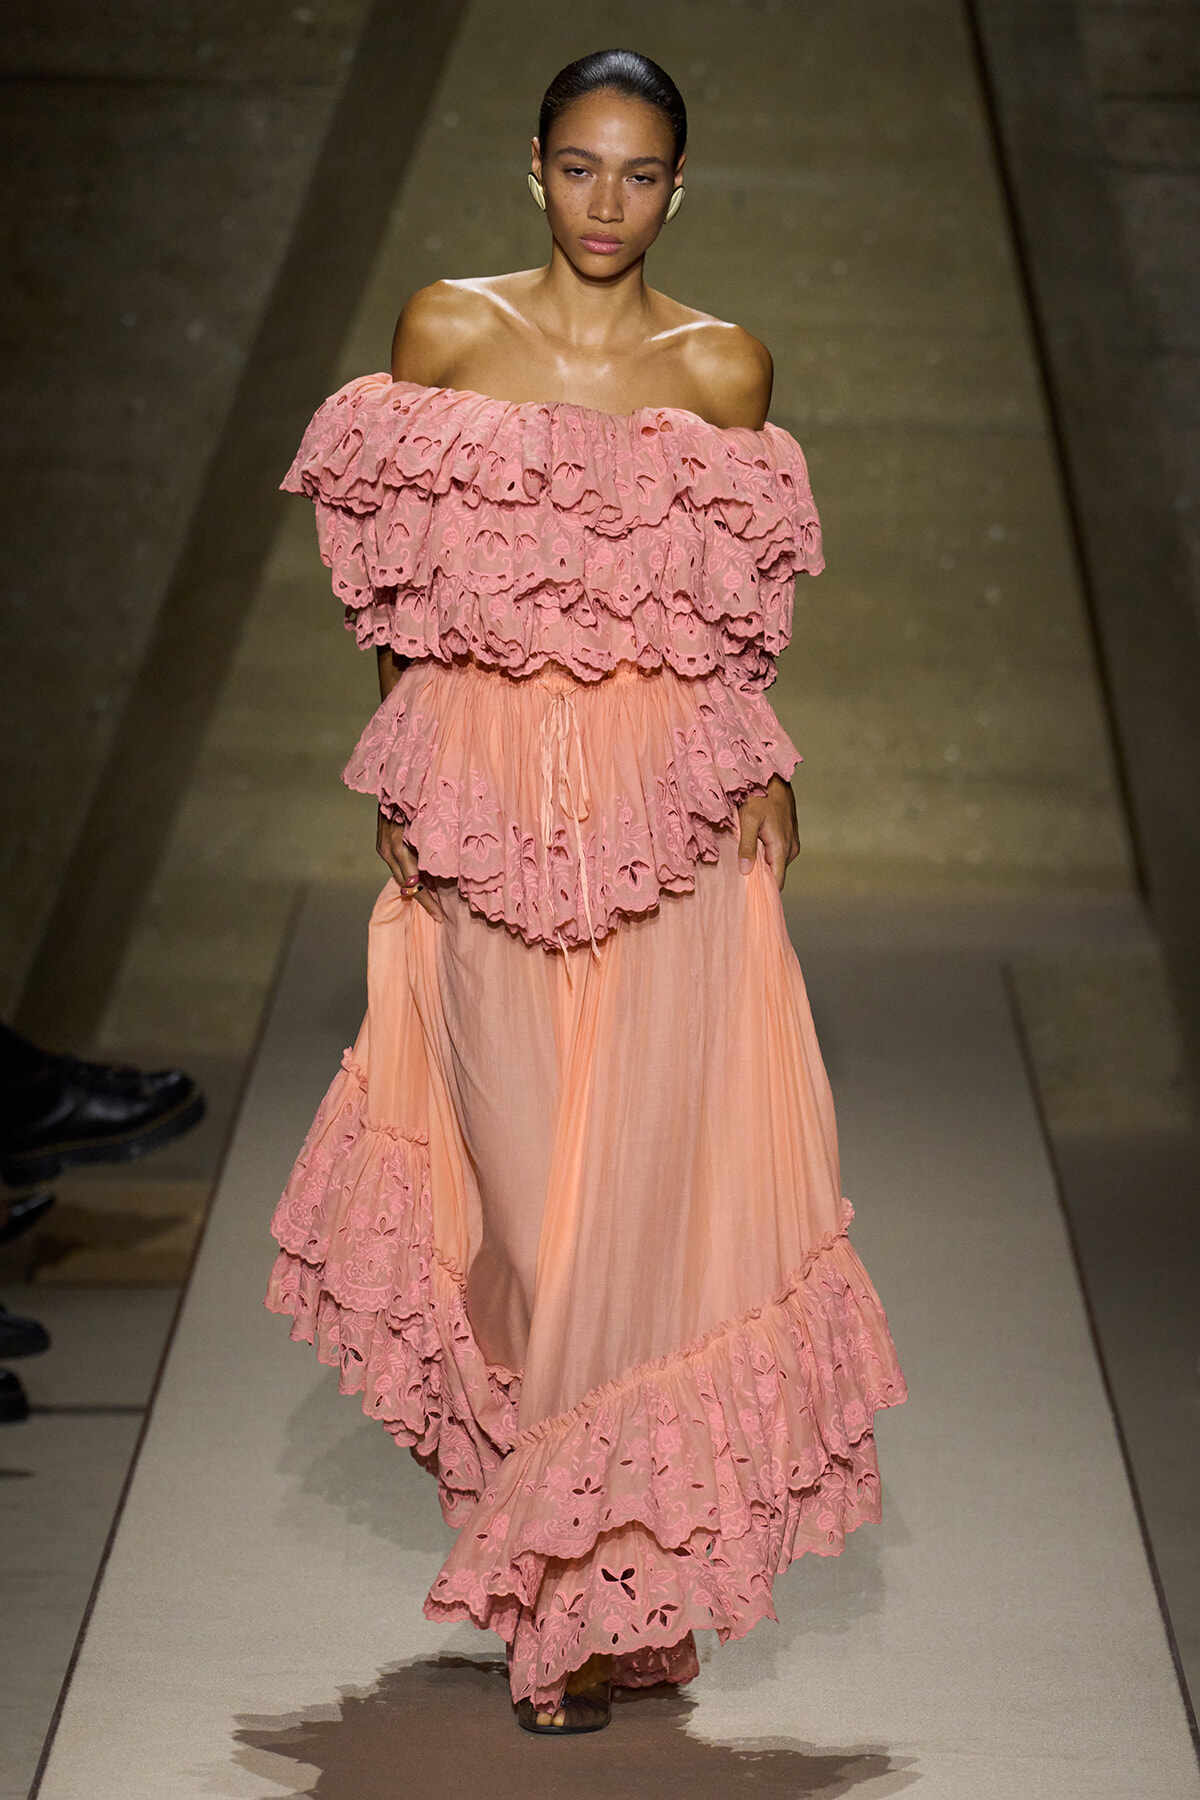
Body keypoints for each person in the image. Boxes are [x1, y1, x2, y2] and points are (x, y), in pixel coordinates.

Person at [266, 48, 906, 1734]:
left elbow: (734, 616)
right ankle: (593, 1560)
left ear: (680, 186)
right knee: (523, 1204)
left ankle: (582, 1606)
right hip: (484, 804)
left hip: (669, 821)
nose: (605, 202)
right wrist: (404, 768)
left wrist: (763, 764)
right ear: (531, 169)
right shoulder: (446, 330)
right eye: (577, 167)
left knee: (641, 1212)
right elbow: (392, 583)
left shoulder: (723, 366)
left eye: (638, 173)